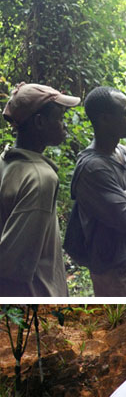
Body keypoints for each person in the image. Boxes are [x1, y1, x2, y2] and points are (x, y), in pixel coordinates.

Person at [65, 86, 126, 296]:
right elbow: (123, 218)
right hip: (115, 270)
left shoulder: (123, 152)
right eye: (125, 113)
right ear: (105, 119)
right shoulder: (93, 167)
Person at [0, 82, 79, 296]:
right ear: (40, 122)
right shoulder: (40, 178)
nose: (65, 125)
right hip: (36, 294)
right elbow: (13, 263)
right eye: (60, 118)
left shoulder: (5, 162)